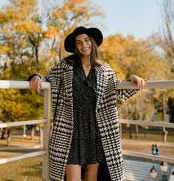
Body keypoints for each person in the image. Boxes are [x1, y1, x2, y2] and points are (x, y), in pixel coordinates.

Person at [28, 26, 146, 181]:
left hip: (95, 130)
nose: (84, 45)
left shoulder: (105, 69)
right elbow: (48, 79)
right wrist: (35, 76)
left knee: (92, 176)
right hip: (70, 130)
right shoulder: (66, 65)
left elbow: (120, 91)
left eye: (86, 40)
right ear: (75, 46)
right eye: (78, 42)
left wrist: (133, 79)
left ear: (92, 42)